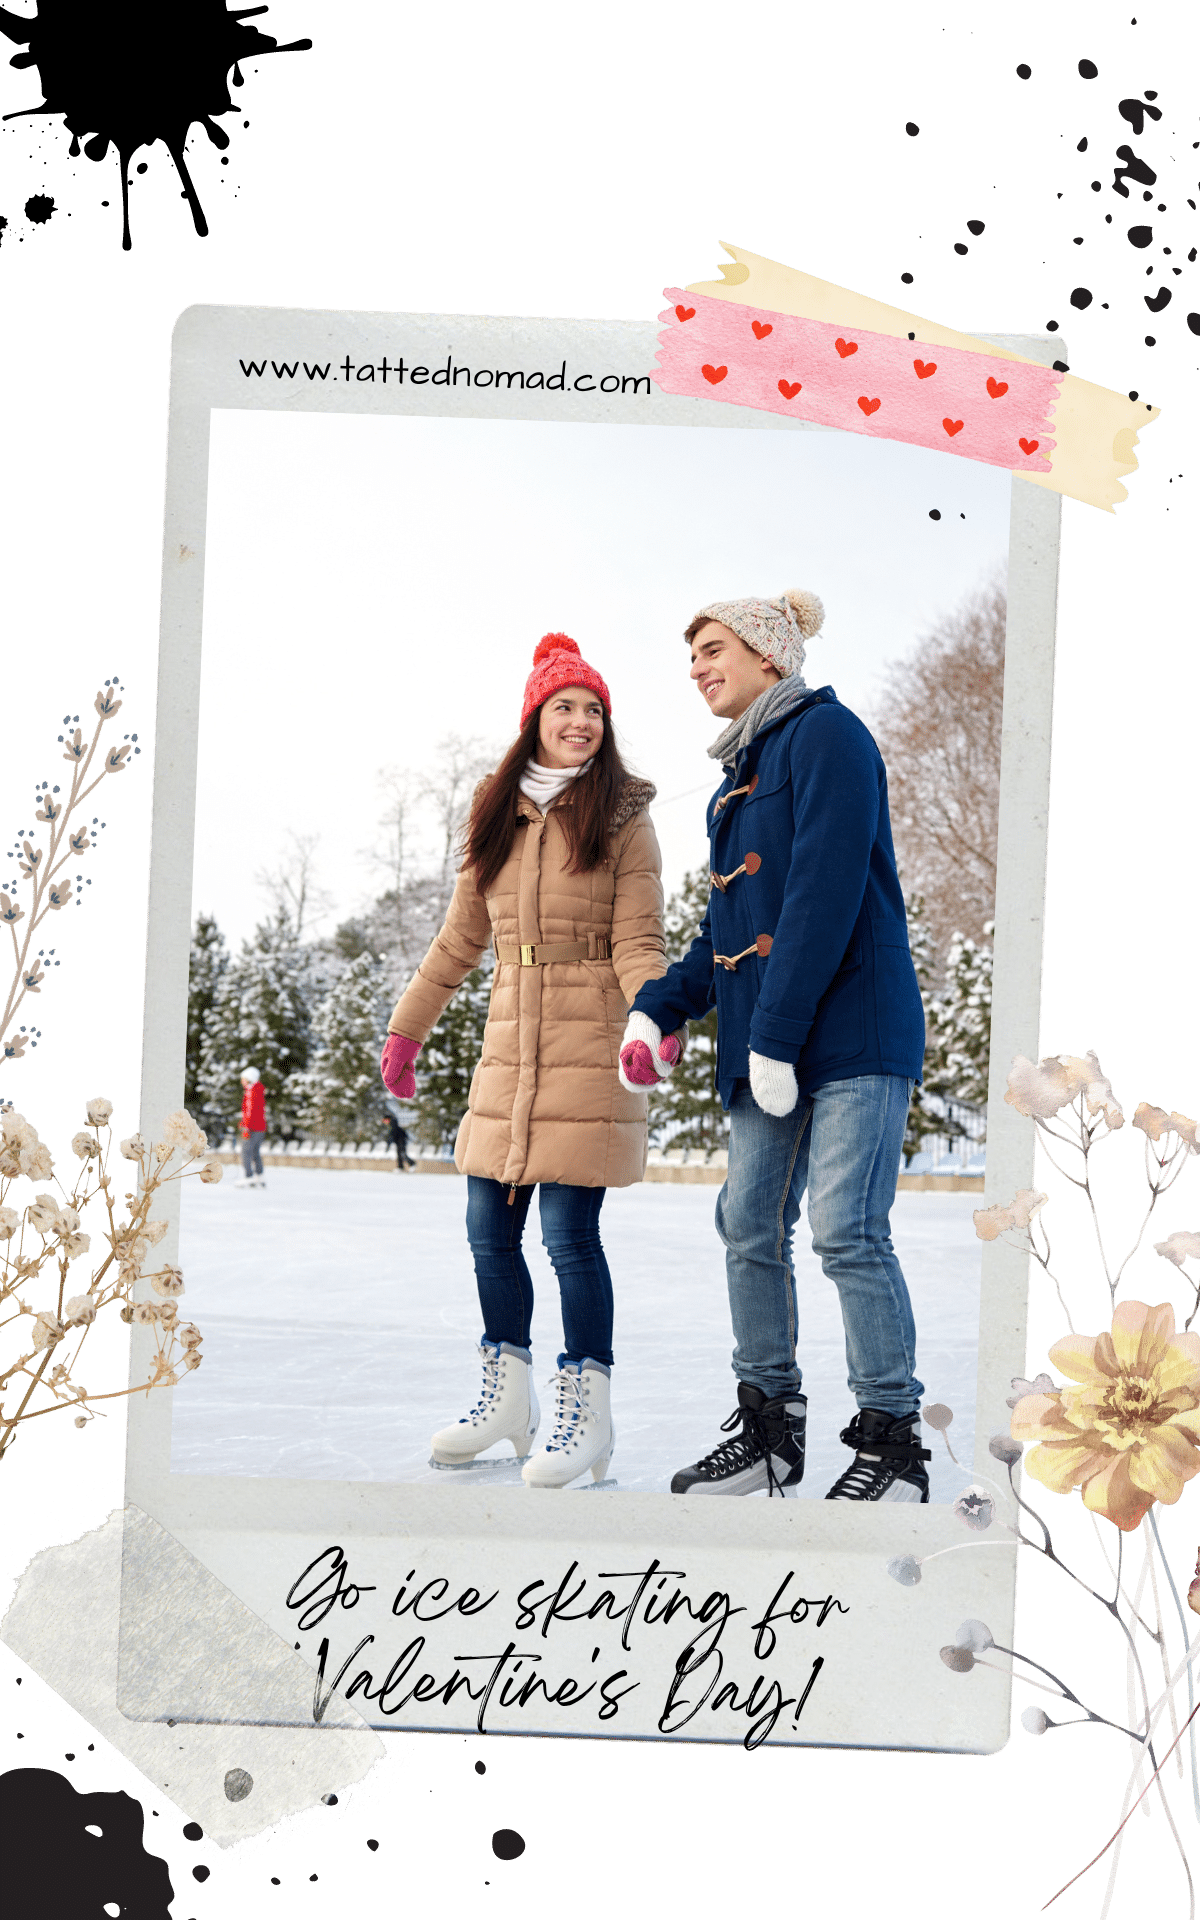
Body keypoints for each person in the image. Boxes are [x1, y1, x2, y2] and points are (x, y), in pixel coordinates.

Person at [621, 588, 929, 1502]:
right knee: (748, 1223)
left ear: (769, 654)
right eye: (691, 655)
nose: (696, 667)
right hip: (772, 1043)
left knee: (846, 1231)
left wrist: (777, 1034)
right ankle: (769, 1432)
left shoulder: (829, 737)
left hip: (852, 1032)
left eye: (713, 647)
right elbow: (728, 934)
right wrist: (659, 1009)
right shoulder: (736, 782)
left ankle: (893, 1440)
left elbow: (824, 897)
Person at [381, 632, 673, 1489]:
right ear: (534, 719)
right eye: (564, 708)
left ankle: (587, 1416)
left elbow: (638, 938)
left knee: (569, 1238)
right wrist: (409, 1027)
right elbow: (462, 937)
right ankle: (508, 1401)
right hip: (510, 1045)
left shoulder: (625, 815)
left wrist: (652, 1019)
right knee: (487, 1230)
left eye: (593, 709)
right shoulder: (496, 812)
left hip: (589, 1042)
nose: (580, 722)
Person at [237, 1067, 267, 1189]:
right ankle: (259, 1177)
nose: (241, 1081)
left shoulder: (251, 1092)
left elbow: (250, 1112)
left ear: (249, 1079)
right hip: (260, 1127)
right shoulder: (258, 1090)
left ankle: (248, 1177)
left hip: (252, 1128)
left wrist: (246, 1127)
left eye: (243, 1079)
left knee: (246, 1152)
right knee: (255, 1152)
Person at [382, 1095, 414, 1170]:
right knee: (399, 1154)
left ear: (387, 1119)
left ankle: (412, 1164)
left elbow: (394, 1133)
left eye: (384, 1120)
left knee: (402, 1153)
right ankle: (400, 1167)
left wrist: (390, 1141)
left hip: (401, 1140)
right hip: (399, 1140)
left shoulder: (393, 1123)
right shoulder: (392, 1123)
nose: (384, 1122)